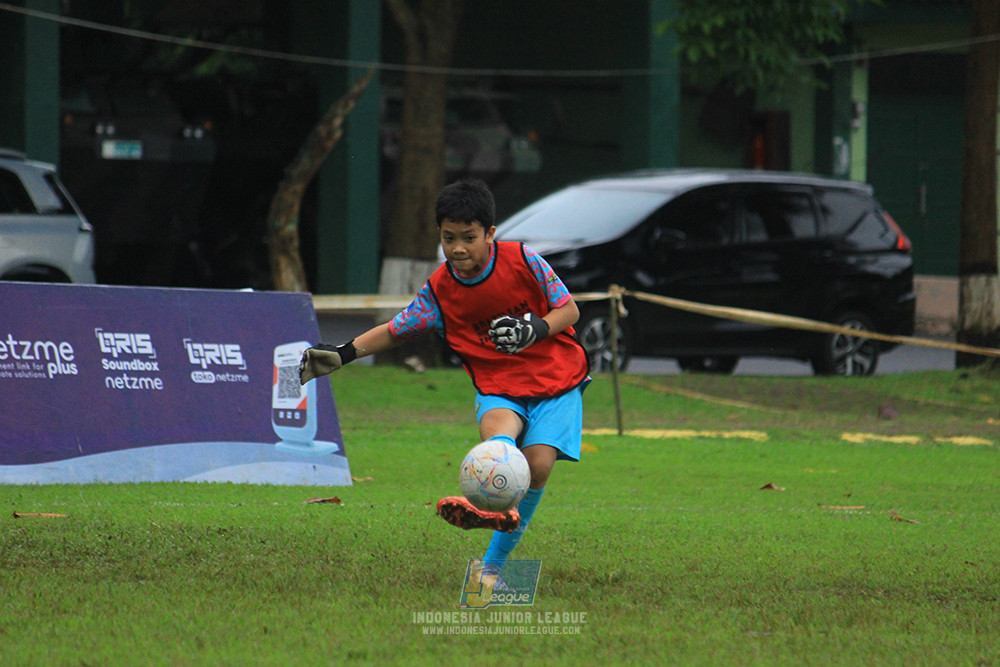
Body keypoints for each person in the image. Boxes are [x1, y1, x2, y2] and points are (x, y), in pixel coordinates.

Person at [299, 178, 589, 578]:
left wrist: (535, 328)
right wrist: (342, 354)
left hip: (558, 380)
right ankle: (493, 511)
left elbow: (569, 311)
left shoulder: (523, 260)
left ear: (490, 234)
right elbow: (394, 329)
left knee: (537, 467)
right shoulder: (440, 291)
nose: (457, 248)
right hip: (498, 386)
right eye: (448, 237)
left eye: (469, 238)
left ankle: (491, 565)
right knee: (497, 450)